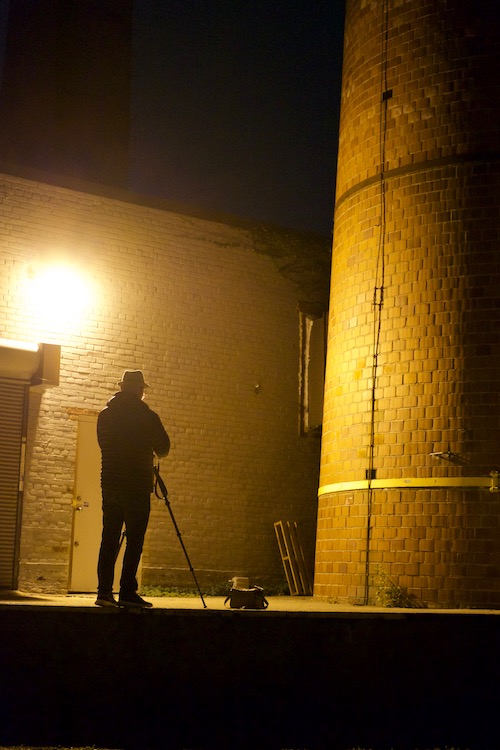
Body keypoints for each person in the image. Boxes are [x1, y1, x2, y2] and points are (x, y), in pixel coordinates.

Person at [95, 369, 170, 608]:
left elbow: (103, 445)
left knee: (109, 537)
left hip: (110, 483)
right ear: (139, 390)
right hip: (136, 486)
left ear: (121, 388)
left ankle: (104, 593)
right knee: (134, 540)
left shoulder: (104, 416)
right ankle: (127, 592)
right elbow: (164, 448)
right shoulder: (148, 417)